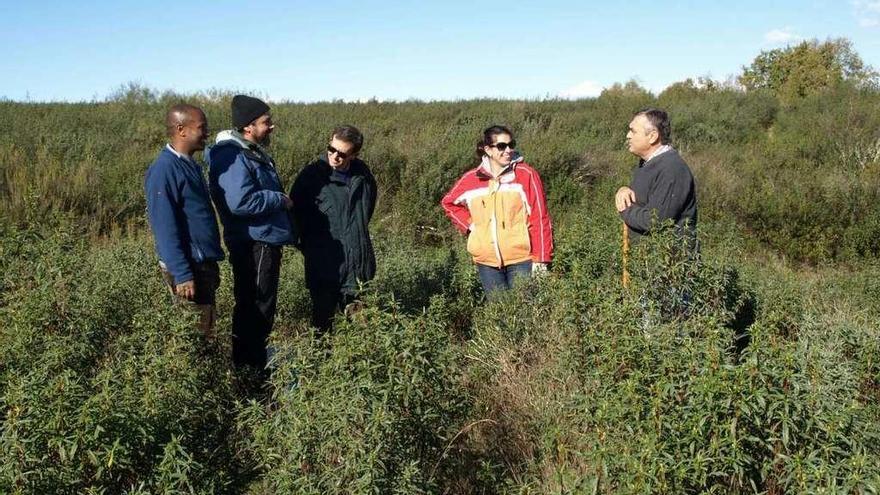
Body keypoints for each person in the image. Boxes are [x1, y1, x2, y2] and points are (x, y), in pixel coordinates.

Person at [206, 95, 295, 373]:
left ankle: (252, 367)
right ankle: (251, 375)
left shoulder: (249, 150)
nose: (272, 126)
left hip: (263, 239)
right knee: (255, 309)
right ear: (247, 127)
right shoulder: (231, 155)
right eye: (266, 122)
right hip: (254, 243)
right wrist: (278, 199)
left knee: (258, 307)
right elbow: (240, 202)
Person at [441, 125, 553, 294]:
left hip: (521, 260)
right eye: (501, 146)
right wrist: (471, 227)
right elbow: (448, 203)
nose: (508, 150)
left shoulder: (525, 174)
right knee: (498, 313)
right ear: (488, 149)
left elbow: (540, 217)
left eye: (511, 144)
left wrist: (541, 260)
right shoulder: (471, 179)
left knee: (523, 312)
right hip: (487, 263)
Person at [145, 104, 224, 334]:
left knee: (206, 329)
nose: (207, 132)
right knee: (196, 337)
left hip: (201, 264)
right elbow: (164, 227)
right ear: (181, 130)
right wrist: (182, 273)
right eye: (202, 127)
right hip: (189, 268)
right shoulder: (164, 169)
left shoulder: (189, 165)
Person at [290, 125, 377, 332]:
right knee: (322, 327)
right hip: (324, 265)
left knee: (361, 328)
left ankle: (353, 363)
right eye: (331, 149)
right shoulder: (311, 176)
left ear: (354, 155)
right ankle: (321, 362)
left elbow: (366, 212)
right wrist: (312, 248)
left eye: (342, 154)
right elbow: (294, 216)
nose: (334, 157)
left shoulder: (364, 177)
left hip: (358, 264)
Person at [615, 108, 698, 244]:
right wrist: (624, 190)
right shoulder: (647, 163)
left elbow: (655, 221)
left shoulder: (672, 169)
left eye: (633, 131)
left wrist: (624, 208)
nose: (628, 135)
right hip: (646, 260)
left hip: (670, 262)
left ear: (652, 136)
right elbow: (641, 199)